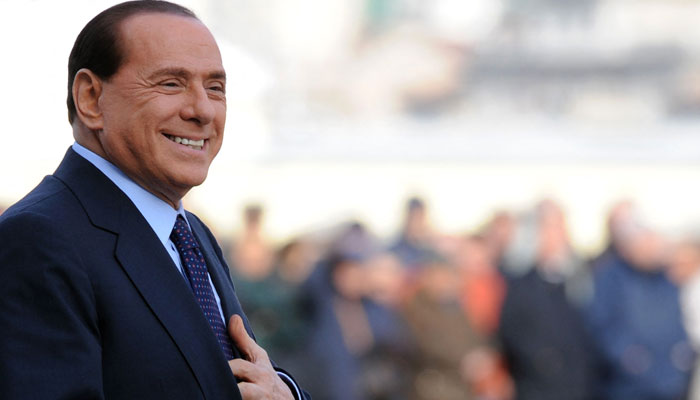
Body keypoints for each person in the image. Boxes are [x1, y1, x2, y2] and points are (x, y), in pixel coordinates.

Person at [0, 2, 309, 399]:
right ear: (91, 98)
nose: (202, 110)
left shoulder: (190, 233)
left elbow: (226, 378)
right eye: (171, 83)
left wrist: (286, 392)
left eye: (215, 88)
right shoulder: (39, 240)